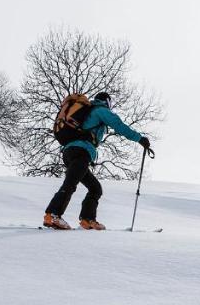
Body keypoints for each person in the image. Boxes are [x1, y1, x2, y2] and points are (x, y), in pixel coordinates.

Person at [44, 91, 150, 230]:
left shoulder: (87, 111)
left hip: (71, 152)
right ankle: (53, 214)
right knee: (70, 183)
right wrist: (140, 139)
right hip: (81, 151)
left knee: (95, 188)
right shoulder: (101, 110)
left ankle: (88, 220)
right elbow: (119, 126)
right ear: (107, 102)